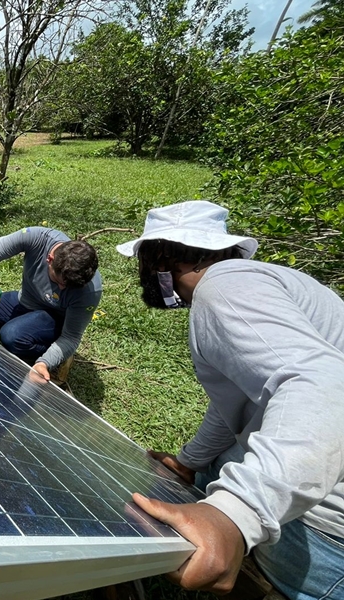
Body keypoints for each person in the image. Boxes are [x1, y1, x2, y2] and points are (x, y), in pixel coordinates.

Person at [116, 200, 344, 599]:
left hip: (328, 530)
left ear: (162, 258)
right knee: (212, 469)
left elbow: (325, 383)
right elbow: (238, 401)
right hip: (321, 476)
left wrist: (237, 513)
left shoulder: (225, 287)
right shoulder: (269, 282)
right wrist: (190, 460)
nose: (142, 275)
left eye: (143, 259)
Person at [0, 226, 101, 383]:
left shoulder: (90, 291)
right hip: (25, 301)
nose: (61, 289)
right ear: (49, 259)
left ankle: (46, 353)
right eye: (57, 281)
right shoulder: (37, 238)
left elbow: (71, 336)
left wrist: (44, 362)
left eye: (69, 287)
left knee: (12, 336)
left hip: (54, 318)